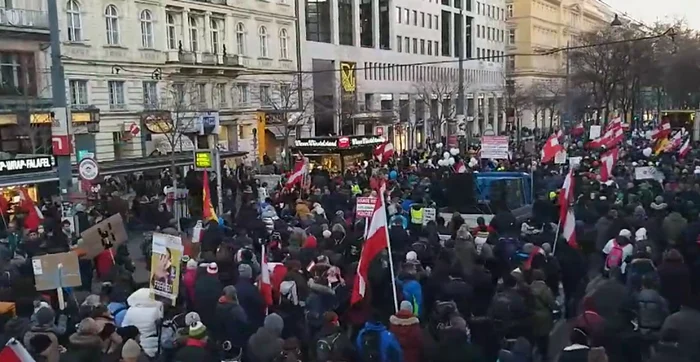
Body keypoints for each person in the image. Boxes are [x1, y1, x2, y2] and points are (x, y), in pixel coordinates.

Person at [211, 285, 250, 352]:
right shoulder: (236, 309)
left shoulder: (219, 304)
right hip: (236, 338)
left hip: (224, 337)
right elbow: (244, 322)